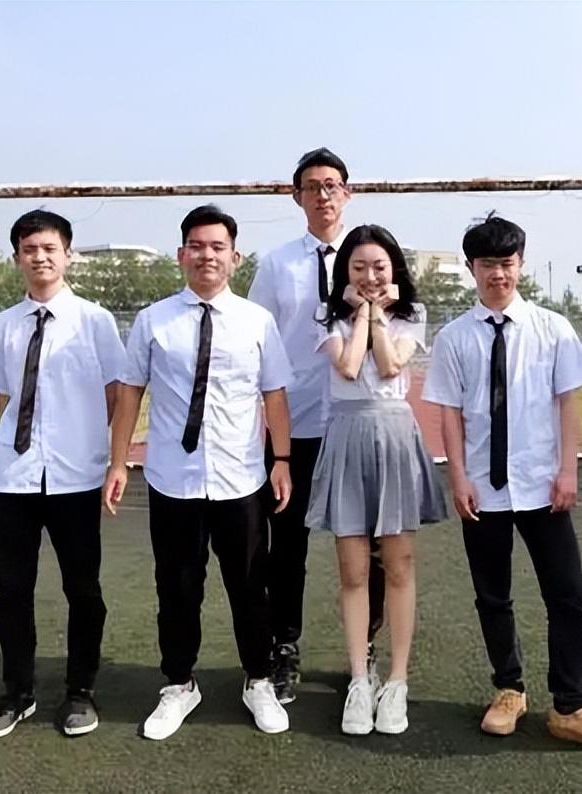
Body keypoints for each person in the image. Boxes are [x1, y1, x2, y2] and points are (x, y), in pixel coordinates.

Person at [422, 213, 582, 754]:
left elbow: (568, 403)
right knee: (492, 595)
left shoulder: (553, 329)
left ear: (521, 264)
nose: (498, 274)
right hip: (483, 488)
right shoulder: (454, 338)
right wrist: (458, 477)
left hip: (543, 486)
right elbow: (450, 413)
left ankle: (570, 706)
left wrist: (568, 470)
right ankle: (509, 689)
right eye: (488, 264)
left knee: (569, 595)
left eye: (507, 262)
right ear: (471, 267)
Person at [102, 205, 295, 738]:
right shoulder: (153, 320)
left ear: (235, 258)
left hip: (241, 479)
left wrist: (281, 460)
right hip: (173, 479)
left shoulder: (257, 321)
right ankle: (179, 683)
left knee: (250, 585)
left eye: (217, 247)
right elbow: (130, 393)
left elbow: (274, 395)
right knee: (178, 588)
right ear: (180, 254)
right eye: (196, 246)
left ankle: (258, 680)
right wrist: (118, 462)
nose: (206, 255)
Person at [0, 209, 126, 740]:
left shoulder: (95, 321)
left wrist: (85, 446)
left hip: (74, 478)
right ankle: (17, 692)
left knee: (82, 588)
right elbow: (5, 397)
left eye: (49, 248)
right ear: (17, 257)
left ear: (68, 255)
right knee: (12, 591)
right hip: (11, 478)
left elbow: (113, 393)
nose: (40, 257)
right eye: (29, 249)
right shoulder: (3, 326)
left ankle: (81, 689)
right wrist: (24, 443)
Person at [248, 147, 387, 703]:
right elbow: (258, 340)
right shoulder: (277, 265)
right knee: (288, 546)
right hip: (297, 426)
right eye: (312, 186)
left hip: (359, 423)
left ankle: (365, 648)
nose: (323, 195)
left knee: (370, 545)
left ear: (347, 192)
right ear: (296, 196)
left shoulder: (373, 259)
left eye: (332, 185)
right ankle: (284, 645)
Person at [304, 224, 447, 735]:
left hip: (394, 436)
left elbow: (388, 366)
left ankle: (397, 681)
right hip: (347, 435)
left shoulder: (411, 315)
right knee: (354, 570)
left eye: (379, 267)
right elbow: (347, 366)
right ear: (344, 271)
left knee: (400, 564)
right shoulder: (325, 316)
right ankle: (360, 681)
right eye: (359, 266)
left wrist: (378, 316)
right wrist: (363, 313)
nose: (370, 275)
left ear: (395, 270)